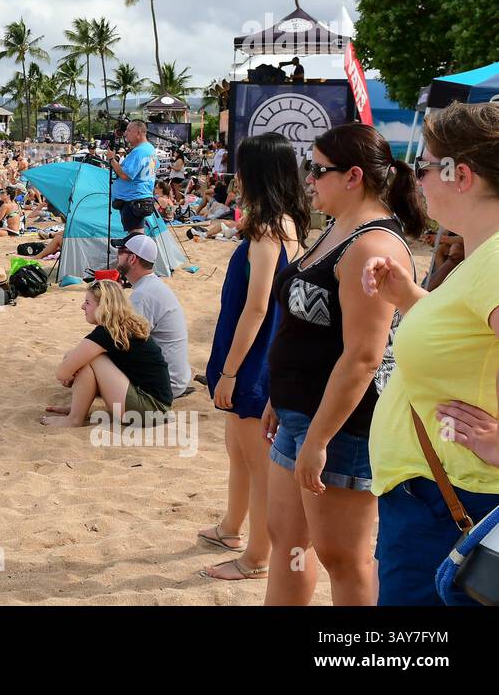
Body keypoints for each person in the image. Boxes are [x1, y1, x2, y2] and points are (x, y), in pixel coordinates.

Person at [263, 123, 425, 606]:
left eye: (317, 169)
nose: (308, 178)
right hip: (301, 413)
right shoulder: (338, 228)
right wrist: (280, 398)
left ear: (353, 176)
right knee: (289, 544)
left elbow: (364, 356)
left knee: (343, 560)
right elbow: (305, 328)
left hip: (341, 426)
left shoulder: (371, 246)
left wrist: (318, 439)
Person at [362, 102, 499, 605]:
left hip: (452, 499)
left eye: (423, 166)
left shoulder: (494, 258)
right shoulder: (479, 255)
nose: (416, 179)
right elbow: (469, 342)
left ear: (460, 175)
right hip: (439, 496)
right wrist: (407, 299)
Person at [195, 133, 308, 582]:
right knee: (238, 450)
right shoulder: (285, 222)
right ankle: (230, 528)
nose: (235, 176)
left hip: (252, 358)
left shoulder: (267, 229)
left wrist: (229, 371)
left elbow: (257, 307)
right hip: (260, 352)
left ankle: (256, 556)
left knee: (257, 462)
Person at [41, 279, 172, 427]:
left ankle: (74, 419)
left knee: (89, 360)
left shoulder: (106, 333)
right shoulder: (122, 325)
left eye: (88, 303)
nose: (82, 306)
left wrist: (71, 372)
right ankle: (78, 408)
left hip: (149, 408)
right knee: (80, 357)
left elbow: (62, 373)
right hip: (157, 408)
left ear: (103, 307)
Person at [118, 233, 192, 398]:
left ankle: (75, 416)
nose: (117, 254)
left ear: (132, 259)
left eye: (121, 250)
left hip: (165, 384)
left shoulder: (143, 295)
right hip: (175, 377)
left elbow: (126, 344)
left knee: (92, 363)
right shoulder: (151, 285)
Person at [107, 120, 158, 234]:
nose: (126, 133)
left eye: (129, 130)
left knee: (135, 235)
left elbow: (126, 175)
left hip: (133, 199)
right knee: (136, 234)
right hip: (139, 198)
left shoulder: (139, 151)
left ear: (139, 133)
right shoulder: (149, 149)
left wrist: (111, 159)